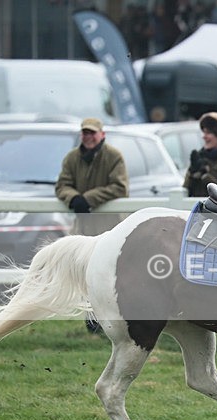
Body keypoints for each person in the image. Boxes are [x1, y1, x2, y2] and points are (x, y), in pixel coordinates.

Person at [55, 118, 128, 331]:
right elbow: (62, 185)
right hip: (84, 227)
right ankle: (92, 321)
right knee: (86, 274)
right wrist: (74, 198)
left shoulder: (114, 156)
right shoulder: (72, 158)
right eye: (85, 133)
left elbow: (120, 187)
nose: (88, 137)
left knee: (111, 275)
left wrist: (88, 199)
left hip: (110, 227)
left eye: (92, 133)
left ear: (102, 135)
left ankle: (115, 319)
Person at [184, 112, 217, 197]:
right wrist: (193, 174)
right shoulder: (199, 158)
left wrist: (205, 176)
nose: (204, 136)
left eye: (208, 133)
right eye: (204, 132)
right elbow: (185, 191)